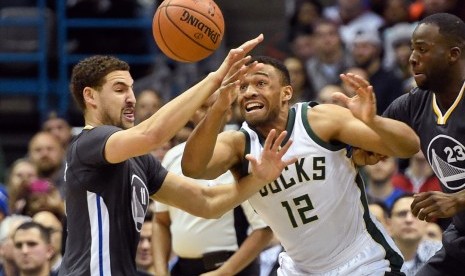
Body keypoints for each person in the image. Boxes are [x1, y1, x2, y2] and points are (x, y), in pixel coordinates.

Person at [59, 35, 296, 276]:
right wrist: (215, 78)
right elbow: (152, 134)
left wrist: (259, 178)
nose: (131, 98)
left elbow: (207, 202)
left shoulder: (140, 161)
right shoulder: (88, 142)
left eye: (132, 89)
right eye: (120, 90)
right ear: (90, 97)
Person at [182, 55, 420, 275]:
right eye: (242, 87)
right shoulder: (238, 144)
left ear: (286, 93)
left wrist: (373, 120)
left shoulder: (319, 120)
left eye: (261, 83)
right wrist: (219, 106)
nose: (249, 92)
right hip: (299, 269)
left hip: (362, 261)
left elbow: (407, 147)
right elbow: (193, 168)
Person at [347, 12, 465, 275]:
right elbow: (369, 142)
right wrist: (367, 122)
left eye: (422, 49)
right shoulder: (415, 102)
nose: (412, 58)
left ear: (453, 54)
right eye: (412, 49)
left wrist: (458, 199)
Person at [153, 96, 272, 276]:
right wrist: (161, 272)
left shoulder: (242, 157)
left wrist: (223, 273)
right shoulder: (172, 156)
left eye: (215, 107)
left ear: (229, 113)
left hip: (232, 269)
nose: (208, 113)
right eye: (201, 107)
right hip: (183, 268)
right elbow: (161, 221)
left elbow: (264, 229)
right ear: (192, 112)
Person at [386, 194, 442, 276]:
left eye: (416, 214)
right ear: (389, 224)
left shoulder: (440, 253)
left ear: (426, 223)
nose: (409, 220)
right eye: (402, 214)